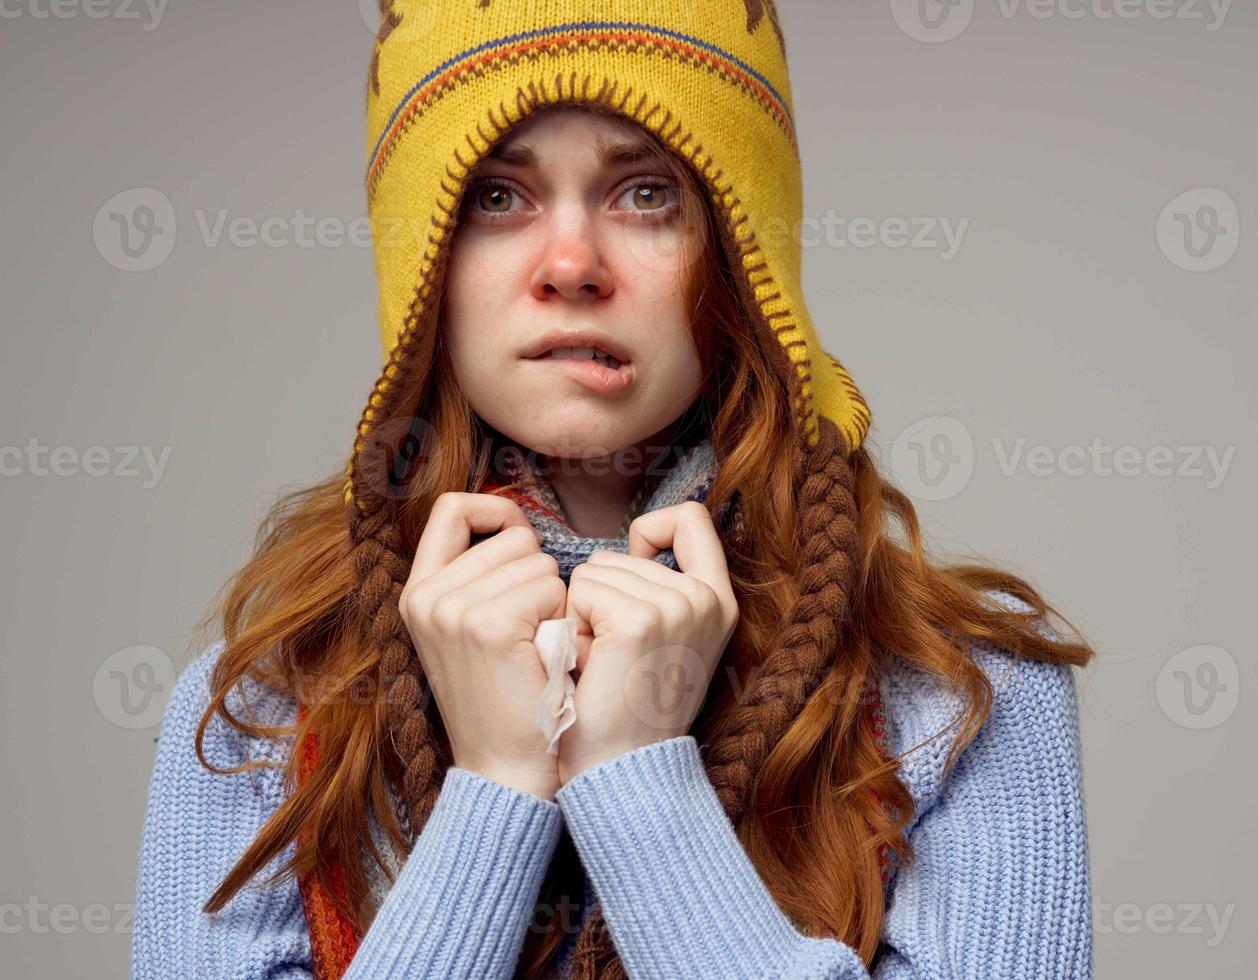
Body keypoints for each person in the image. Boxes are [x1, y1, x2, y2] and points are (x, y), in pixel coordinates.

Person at [130, 2, 1098, 977]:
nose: (570, 265)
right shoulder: (260, 708)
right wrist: (497, 789)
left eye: (644, 193)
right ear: (420, 267)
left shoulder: (966, 693)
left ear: (743, 255)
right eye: (496, 197)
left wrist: (639, 784)